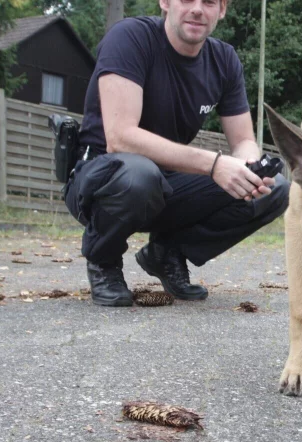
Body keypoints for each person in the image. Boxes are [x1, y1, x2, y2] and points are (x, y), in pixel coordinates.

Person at [64, 0, 289, 307]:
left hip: (164, 183)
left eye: (209, 1)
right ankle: (104, 260)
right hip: (100, 179)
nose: (197, 9)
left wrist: (250, 168)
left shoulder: (224, 60)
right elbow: (120, 138)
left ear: (222, 9)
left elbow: (244, 141)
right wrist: (213, 164)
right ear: (165, 2)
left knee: (274, 189)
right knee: (140, 175)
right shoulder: (129, 39)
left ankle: (167, 252)